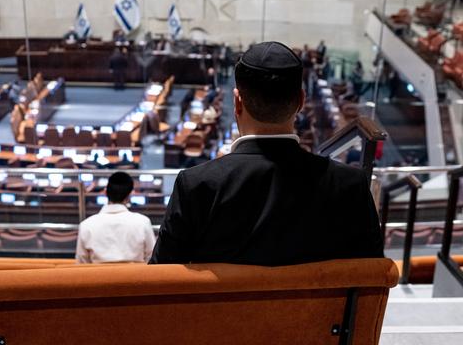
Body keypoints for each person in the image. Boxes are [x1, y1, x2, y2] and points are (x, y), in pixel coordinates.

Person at [150, 41, 383, 266]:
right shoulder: (350, 185)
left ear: (237, 103)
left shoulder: (196, 186)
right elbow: (373, 277)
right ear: (301, 101)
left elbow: (160, 281)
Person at [76, 172, 155, 264]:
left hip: (98, 273)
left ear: (105, 192)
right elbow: (151, 259)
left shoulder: (86, 225)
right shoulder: (143, 222)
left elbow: (82, 263)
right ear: (129, 195)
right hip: (135, 273)